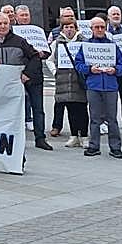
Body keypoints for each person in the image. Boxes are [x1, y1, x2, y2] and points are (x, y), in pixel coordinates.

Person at [0, 12, 52, 150]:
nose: (3, 26)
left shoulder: (19, 41)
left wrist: (27, 74)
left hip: (27, 80)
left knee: (37, 109)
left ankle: (40, 139)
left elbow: (34, 57)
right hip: (4, 83)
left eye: (5, 23)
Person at [74, 17, 122, 158]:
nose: (99, 30)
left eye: (102, 27)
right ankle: (94, 146)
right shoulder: (86, 46)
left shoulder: (113, 46)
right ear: (91, 29)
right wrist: (90, 69)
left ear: (105, 28)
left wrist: (115, 70)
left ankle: (115, 147)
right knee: (95, 118)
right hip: (94, 85)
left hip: (110, 86)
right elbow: (78, 64)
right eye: (96, 27)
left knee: (112, 119)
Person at [50, 18, 87, 147]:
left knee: (81, 109)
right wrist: (55, 72)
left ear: (76, 28)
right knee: (70, 109)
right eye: (66, 27)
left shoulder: (83, 41)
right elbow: (50, 60)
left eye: (71, 27)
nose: (69, 30)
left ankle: (84, 135)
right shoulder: (57, 43)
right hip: (63, 81)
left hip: (78, 80)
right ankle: (74, 136)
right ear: (62, 30)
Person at [14, 5, 47, 132]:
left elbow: (46, 51)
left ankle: (41, 136)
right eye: (22, 15)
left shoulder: (37, 31)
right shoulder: (13, 32)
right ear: (16, 17)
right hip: (19, 74)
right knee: (18, 105)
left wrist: (43, 53)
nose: (24, 17)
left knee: (38, 108)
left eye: (26, 15)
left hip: (35, 74)